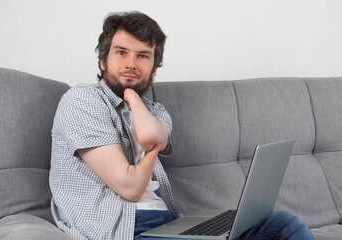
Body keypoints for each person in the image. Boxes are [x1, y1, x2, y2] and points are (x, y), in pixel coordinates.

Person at [49, 11, 315, 240]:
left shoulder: (157, 112)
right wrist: (131, 95)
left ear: (154, 69)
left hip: (169, 224)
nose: (131, 64)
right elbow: (130, 187)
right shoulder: (82, 100)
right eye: (121, 53)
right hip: (123, 230)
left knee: (286, 224)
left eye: (143, 56)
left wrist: (131, 97)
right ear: (103, 60)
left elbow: (152, 133)